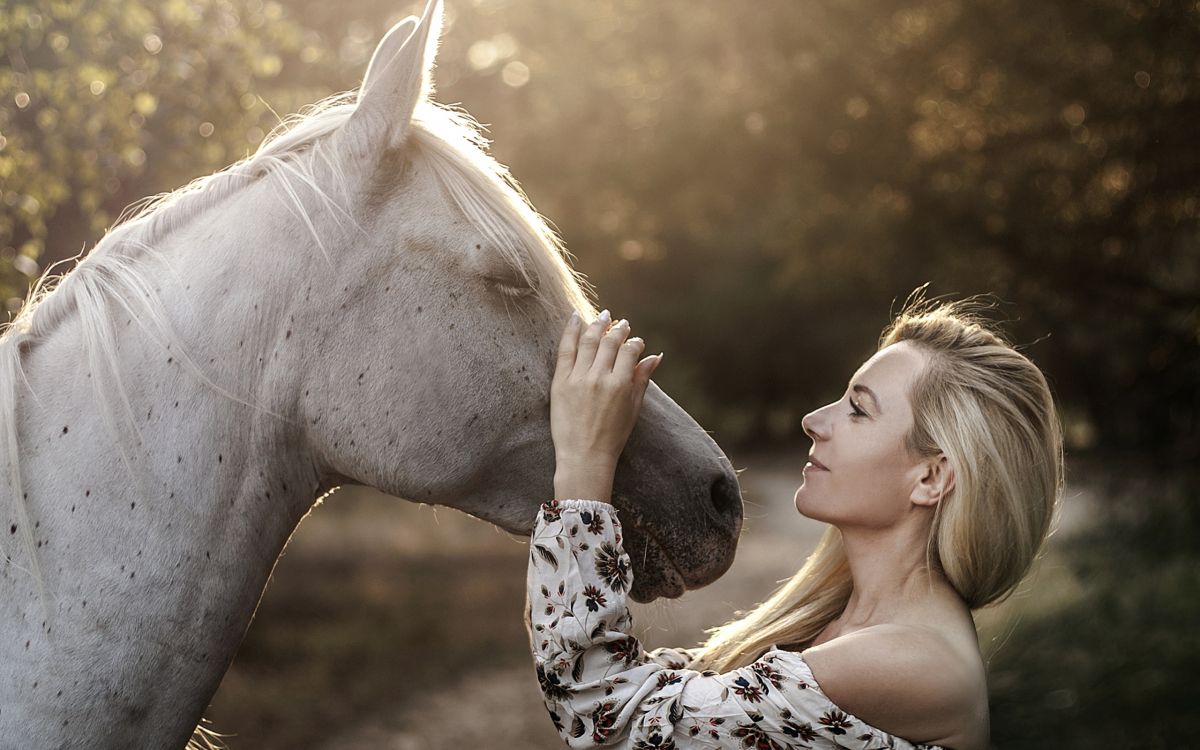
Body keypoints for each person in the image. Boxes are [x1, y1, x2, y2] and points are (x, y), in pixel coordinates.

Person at [526, 293, 1064, 750]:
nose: (814, 421)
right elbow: (654, 693)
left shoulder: (913, 663)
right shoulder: (834, 628)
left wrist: (584, 462)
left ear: (930, 477)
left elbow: (610, 720)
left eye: (858, 409)